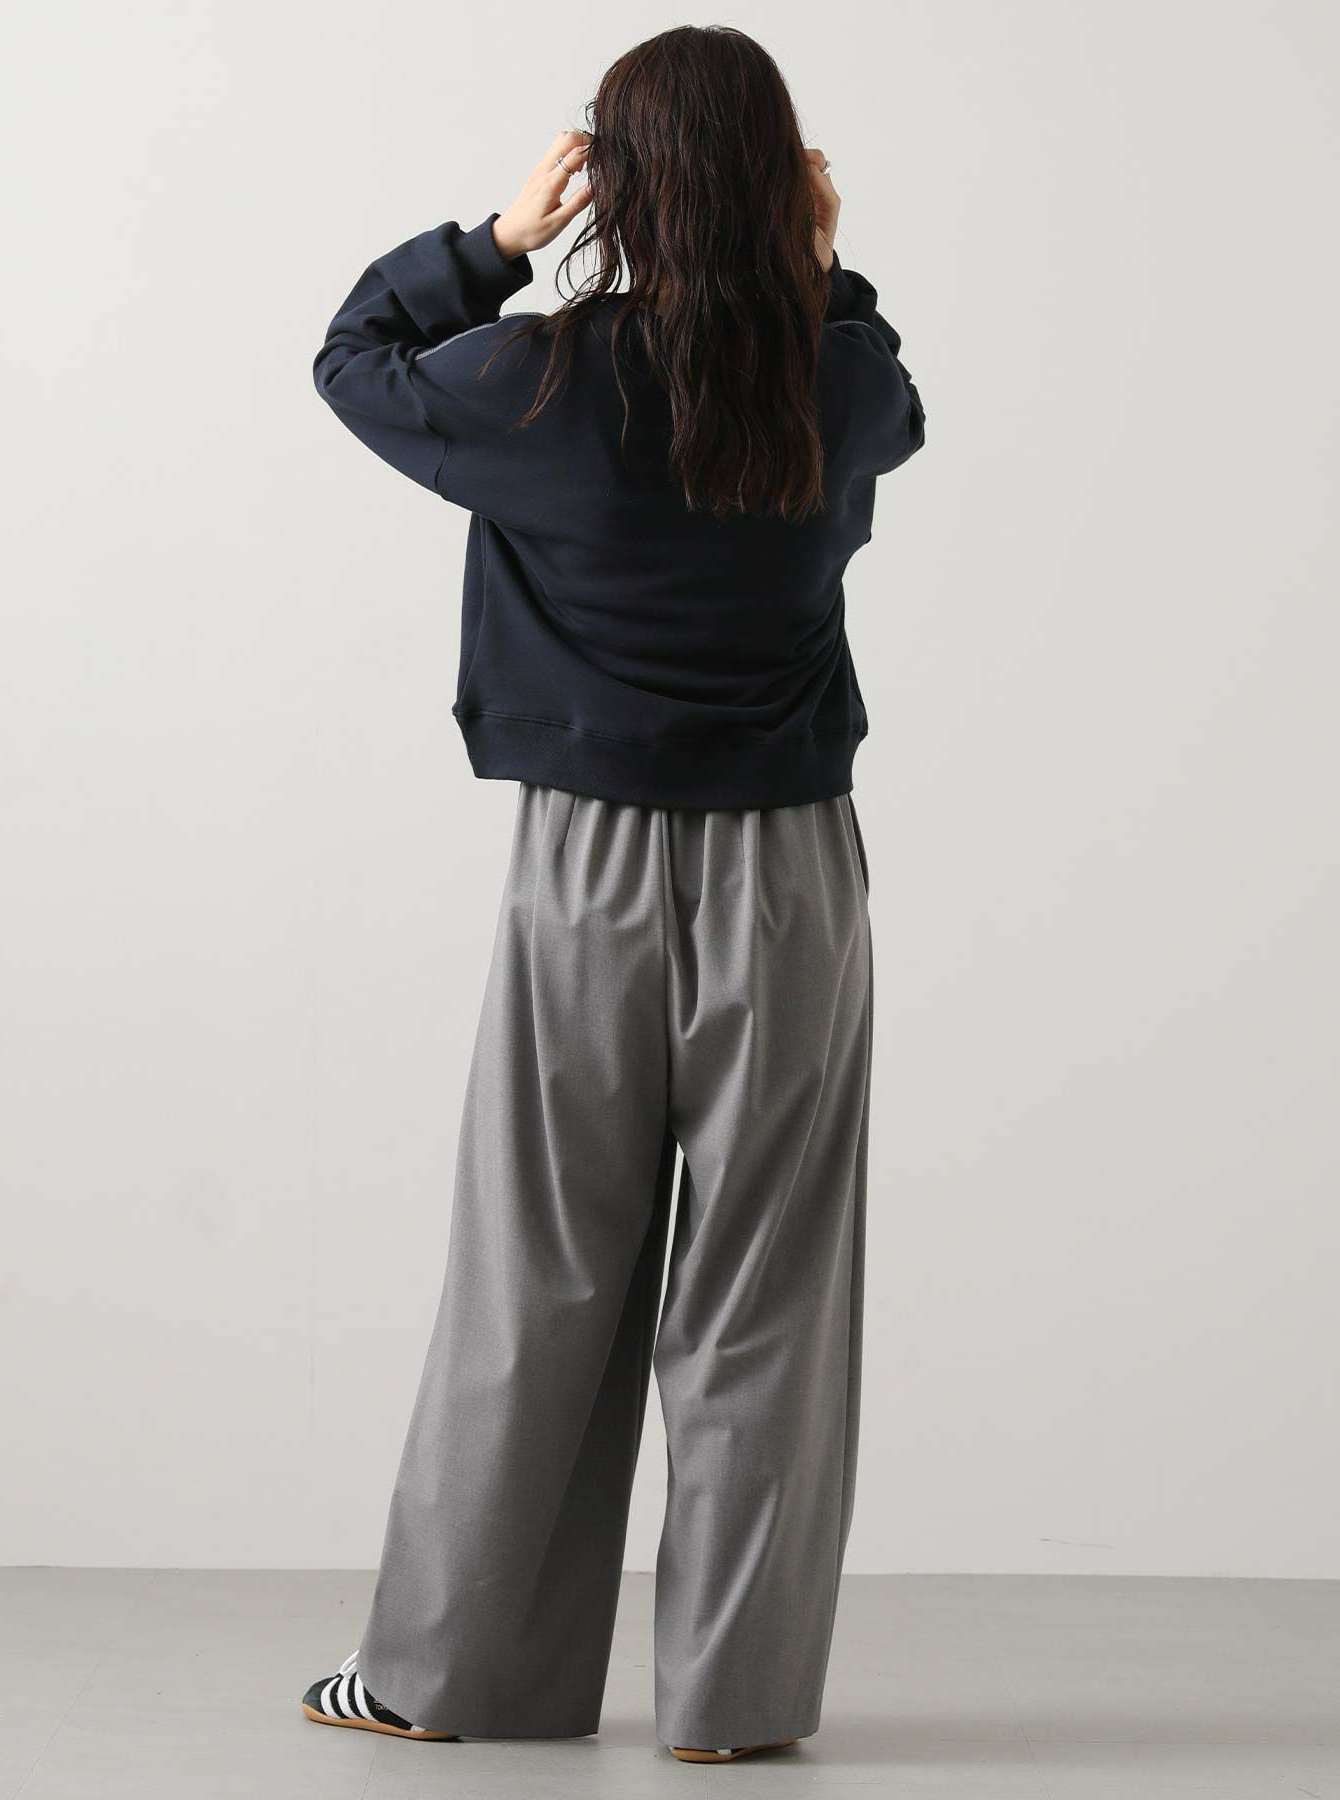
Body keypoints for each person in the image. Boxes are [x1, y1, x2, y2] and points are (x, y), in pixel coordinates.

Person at [301, 23, 924, 1767]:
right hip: (791, 873)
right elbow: (886, 374)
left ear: (615, 184)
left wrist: (498, 242)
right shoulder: (837, 384)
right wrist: (810, 264)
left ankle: (455, 1680)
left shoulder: (531, 382)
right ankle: (732, 1707)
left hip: (586, 867)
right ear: (786, 182)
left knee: (540, 1272)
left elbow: (353, 358)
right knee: (768, 1292)